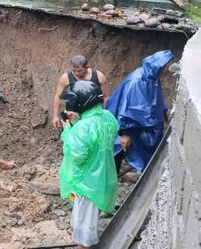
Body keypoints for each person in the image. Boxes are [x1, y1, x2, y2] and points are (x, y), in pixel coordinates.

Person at [59, 80, 118, 249]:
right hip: (104, 177)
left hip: (88, 183)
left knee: (83, 226)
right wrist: (77, 122)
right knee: (91, 216)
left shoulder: (82, 127)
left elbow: (78, 155)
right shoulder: (107, 117)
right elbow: (98, 138)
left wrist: (69, 130)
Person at [106, 50, 175, 173]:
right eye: (167, 67)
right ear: (160, 66)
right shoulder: (136, 81)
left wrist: (164, 110)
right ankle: (108, 181)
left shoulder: (152, 77)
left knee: (133, 149)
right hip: (124, 126)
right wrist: (124, 133)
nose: (168, 71)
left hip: (136, 124)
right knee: (118, 150)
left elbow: (155, 98)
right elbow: (126, 109)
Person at [52, 55, 109, 129]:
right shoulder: (66, 78)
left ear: (87, 67)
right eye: (74, 70)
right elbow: (58, 96)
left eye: (79, 71)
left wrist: (104, 113)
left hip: (93, 116)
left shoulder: (99, 76)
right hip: (72, 116)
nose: (76, 73)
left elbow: (105, 96)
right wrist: (55, 116)